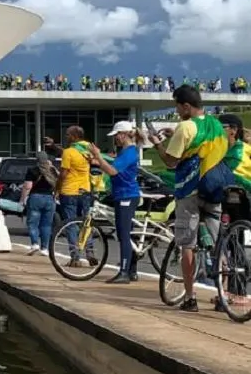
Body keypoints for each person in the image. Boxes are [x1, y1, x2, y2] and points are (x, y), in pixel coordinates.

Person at [148, 85, 233, 312]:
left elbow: (171, 161)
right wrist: (173, 133)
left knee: (188, 243)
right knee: (218, 243)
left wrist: (157, 143)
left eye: (177, 107)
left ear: (186, 106)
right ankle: (222, 297)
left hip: (190, 191)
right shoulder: (216, 124)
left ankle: (190, 298)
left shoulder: (185, 127)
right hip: (214, 188)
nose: (176, 111)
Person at [89, 121, 143, 284]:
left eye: (116, 136)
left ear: (123, 134)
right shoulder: (125, 152)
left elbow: (113, 171)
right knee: (127, 234)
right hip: (122, 194)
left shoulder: (129, 152)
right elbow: (114, 167)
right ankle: (132, 270)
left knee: (124, 234)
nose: (115, 140)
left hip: (126, 195)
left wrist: (98, 155)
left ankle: (124, 272)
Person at [57, 126, 95, 268]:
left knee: (71, 224)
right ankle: (90, 251)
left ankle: (75, 257)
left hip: (69, 191)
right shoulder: (88, 150)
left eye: (68, 134)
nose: (66, 136)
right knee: (86, 222)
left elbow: (64, 173)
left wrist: (57, 187)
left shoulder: (69, 152)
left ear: (74, 136)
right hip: (85, 190)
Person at [19, 151, 58, 256]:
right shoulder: (53, 170)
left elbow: (27, 186)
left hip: (35, 197)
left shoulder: (32, 170)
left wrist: (22, 200)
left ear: (37, 160)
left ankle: (35, 244)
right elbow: (58, 184)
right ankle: (45, 248)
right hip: (50, 198)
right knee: (46, 225)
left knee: (33, 223)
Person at [220, 113, 251, 193]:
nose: (216, 130)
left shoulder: (245, 150)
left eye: (221, 126)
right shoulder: (215, 150)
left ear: (234, 130)